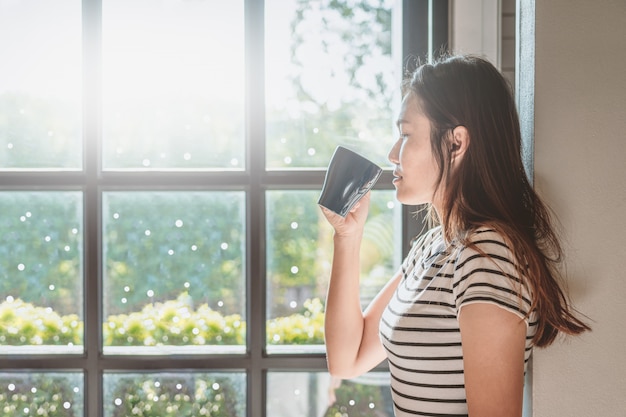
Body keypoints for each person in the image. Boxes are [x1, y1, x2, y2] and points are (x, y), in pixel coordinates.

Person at [320, 54, 590, 417]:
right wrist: (347, 236)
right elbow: (346, 359)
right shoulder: (433, 247)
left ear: (456, 143)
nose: (392, 154)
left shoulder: (487, 255)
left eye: (405, 135)